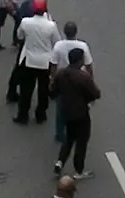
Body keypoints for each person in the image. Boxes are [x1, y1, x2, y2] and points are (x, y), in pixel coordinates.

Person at [52, 47, 101, 181]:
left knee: (69, 138)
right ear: (79, 61)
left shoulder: (61, 74)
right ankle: (79, 170)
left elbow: (53, 90)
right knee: (81, 141)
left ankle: (60, 162)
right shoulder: (83, 77)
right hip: (80, 113)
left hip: (65, 111)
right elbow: (96, 93)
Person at [13, 0, 60, 125]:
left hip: (29, 59)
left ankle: (23, 115)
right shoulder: (51, 25)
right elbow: (56, 41)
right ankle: (41, 114)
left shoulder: (26, 22)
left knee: (26, 90)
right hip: (45, 62)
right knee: (43, 90)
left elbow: (19, 36)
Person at [6, 0, 49, 103]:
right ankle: (13, 91)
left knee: (20, 67)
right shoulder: (31, 6)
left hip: (29, 39)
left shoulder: (29, 3)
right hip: (29, 41)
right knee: (20, 67)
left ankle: (12, 90)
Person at [51, 22, 94, 143]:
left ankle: (60, 133)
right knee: (81, 106)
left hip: (63, 79)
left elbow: (53, 64)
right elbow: (89, 65)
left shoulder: (58, 45)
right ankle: (78, 131)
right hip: (80, 79)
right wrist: (91, 80)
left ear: (64, 32)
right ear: (76, 32)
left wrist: (53, 80)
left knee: (61, 107)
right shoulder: (82, 46)